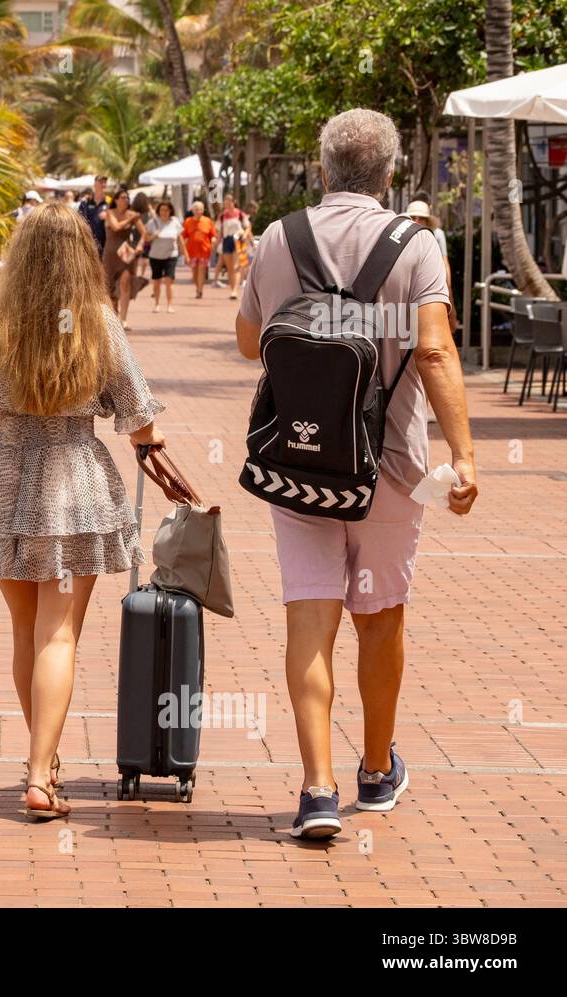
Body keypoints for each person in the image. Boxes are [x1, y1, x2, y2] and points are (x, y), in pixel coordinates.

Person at [235, 108, 478, 840]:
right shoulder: (418, 245)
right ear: (391, 172)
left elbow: (250, 344)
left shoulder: (281, 237)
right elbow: (435, 352)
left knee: (310, 616)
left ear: (322, 168)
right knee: (379, 617)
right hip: (392, 466)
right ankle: (375, 771)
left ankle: (315, 789)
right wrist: (463, 456)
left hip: (300, 462)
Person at [0, 202, 166, 820]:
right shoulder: (97, 323)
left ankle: (43, 766)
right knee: (58, 634)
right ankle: (41, 773)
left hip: (3, 484)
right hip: (74, 485)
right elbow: (137, 415)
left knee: (26, 630)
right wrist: (151, 449)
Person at [102, 188, 139, 329]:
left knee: (125, 283)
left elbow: (145, 233)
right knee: (109, 287)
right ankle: (113, 317)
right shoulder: (109, 213)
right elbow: (116, 227)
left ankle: (124, 319)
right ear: (116, 200)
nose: (126, 200)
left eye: (127, 197)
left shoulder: (132, 214)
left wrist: (139, 246)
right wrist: (131, 219)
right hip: (111, 253)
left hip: (126, 252)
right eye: (123, 197)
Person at [144, 200, 185, 314]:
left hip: (171, 255)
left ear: (170, 211)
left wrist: (185, 253)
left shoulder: (175, 222)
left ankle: (169, 305)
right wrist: (153, 236)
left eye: (166, 210)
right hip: (155, 256)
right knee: (156, 281)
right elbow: (145, 238)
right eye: (162, 210)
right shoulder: (152, 222)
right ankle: (157, 304)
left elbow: (180, 239)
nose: (164, 212)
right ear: (158, 211)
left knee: (169, 280)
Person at [182, 200, 217, 299]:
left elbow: (213, 235)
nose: (198, 211)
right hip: (191, 251)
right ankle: (198, 287)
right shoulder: (188, 221)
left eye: (200, 209)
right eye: (196, 209)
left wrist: (213, 241)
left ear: (202, 210)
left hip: (204, 250)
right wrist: (183, 248)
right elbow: (183, 236)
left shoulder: (208, 221)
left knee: (202, 270)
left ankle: (200, 290)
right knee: (194, 272)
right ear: (193, 210)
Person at [217, 194, 248, 299]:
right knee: (230, 268)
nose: (227, 202)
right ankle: (232, 289)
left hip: (238, 240)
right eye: (225, 201)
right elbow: (219, 232)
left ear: (233, 201)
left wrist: (245, 234)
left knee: (236, 266)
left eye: (229, 200)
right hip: (226, 240)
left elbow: (248, 226)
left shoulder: (240, 214)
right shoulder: (222, 216)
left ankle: (235, 290)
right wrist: (216, 243)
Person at [77, 175, 109, 255]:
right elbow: (79, 220)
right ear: (94, 184)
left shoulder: (110, 202)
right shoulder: (86, 202)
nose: (103, 184)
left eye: (105, 182)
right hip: (87, 242)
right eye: (101, 182)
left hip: (104, 243)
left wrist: (109, 215)